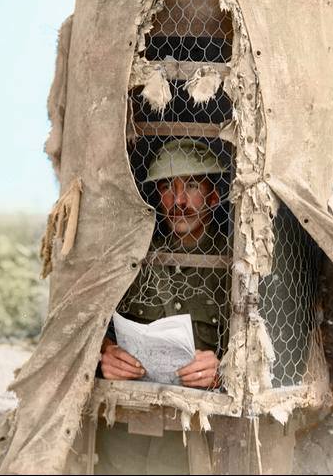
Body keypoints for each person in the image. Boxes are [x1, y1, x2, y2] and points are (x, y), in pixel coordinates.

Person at [94, 138, 231, 475]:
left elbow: (262, 348)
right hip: (125, 433)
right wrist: (106, 354)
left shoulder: (237, 264)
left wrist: (224, 370)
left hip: (195, 439)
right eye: (168, 187)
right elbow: (94, 324)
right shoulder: (135, 256)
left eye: (193, 186)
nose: (179, 200)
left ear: (214, 197)